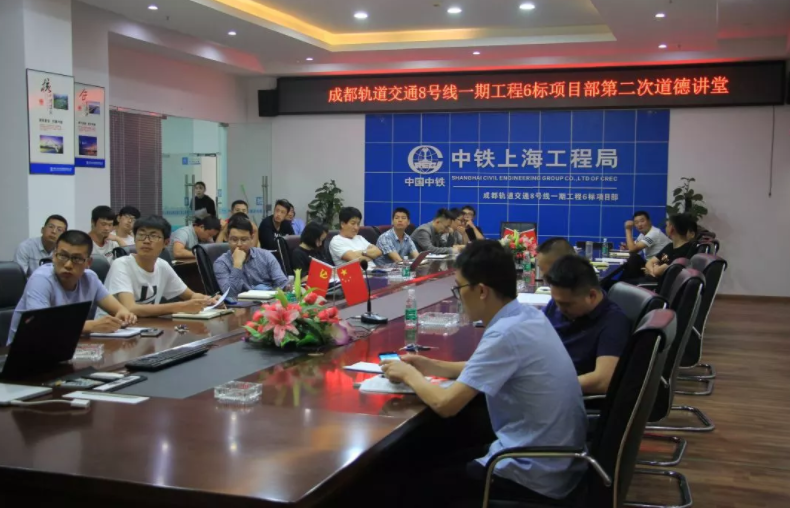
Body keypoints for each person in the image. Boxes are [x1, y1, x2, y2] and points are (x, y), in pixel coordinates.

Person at [380, 240, 586, 505]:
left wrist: (408, 375)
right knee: (434, 456)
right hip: (555, 461)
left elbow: (445, 405)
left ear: (481, 291)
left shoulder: (505, 333)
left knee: (409, 484)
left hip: (532, 473)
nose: (458, 295)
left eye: (459, 288)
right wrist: (431, 366)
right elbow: (485, 367)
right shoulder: (525, 316)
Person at [8, 230, 136, 345]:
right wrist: (92, 326)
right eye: (63, 256)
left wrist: (125, 315)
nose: (68, 265)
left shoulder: (90, 279)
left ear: (88, 263)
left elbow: (119, 310)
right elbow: (40, 327)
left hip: (67, 346)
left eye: (77, 259)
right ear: (54, 256)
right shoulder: (41, 279)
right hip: (26, 350)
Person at [543, 255, 632, 394]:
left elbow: (603, 381)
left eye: (567, 304)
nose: (559, 309)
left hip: (562, 393)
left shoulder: (613, 323)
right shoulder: (559, 303)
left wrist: (547, 386)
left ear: (592, 296)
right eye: (556, 302)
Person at [99, 215, 218, 317]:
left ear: (166, 243)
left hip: (144, 328)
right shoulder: (121, 265)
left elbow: (191, 295)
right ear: (134, 239)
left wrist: (210, 301)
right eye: (141, 235)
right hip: (110, 330)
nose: (146, 241)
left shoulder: (162, 265)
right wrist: (180, 306)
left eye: (153, 236)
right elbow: (130, 308)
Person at [213, 215, 289, 299]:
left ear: (251, 238)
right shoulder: (221, 263)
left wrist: (287, 287)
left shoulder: (265, 256)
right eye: (234, 239)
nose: (239, 244)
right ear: (227, 238)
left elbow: (282, 282)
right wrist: (237, 265)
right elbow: (230, 294)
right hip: (241, 305)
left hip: (269, 301)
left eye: (244, 240)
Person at [641, 213, 698, 285]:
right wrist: (654, 270)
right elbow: (649, 263)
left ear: (671, 228)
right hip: (651, 280)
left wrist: (653, 269)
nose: (665, 228)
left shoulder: (686, 250)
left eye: (667, 226)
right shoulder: (670, 246)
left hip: (658, 285)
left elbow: (658, 271)